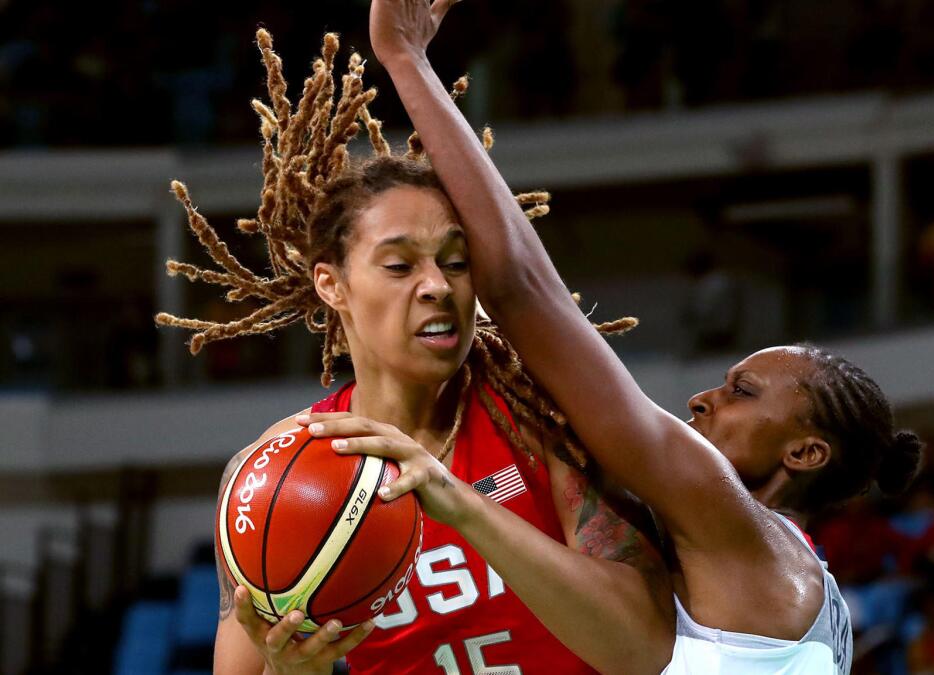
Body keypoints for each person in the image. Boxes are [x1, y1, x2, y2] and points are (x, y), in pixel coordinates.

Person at [305, 2, 923, 672]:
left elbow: (522, 290)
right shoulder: (789, 579)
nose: (704, 398)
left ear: (803, 452)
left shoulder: (725, 513)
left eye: (743, 392)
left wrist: (405, 58)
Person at [156, 30, 670, 675]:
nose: (437, 286)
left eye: (456, 262)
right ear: (332, 285)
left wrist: (462, 505)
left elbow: (645, 650)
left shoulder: (542, 416)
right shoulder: (279, 472)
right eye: (399, 266)